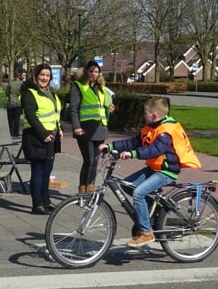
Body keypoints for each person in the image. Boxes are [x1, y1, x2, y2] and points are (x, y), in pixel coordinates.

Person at [99, 96, 200, 247]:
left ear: (153, 116)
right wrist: (111, 146)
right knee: (127, 185)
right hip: (154, 168)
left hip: (166, 171)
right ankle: (155, 213)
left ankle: (146, 232)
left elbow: (155, 150)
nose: (143, 116)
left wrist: (132, 154)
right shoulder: (151, 128)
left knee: (138, 193)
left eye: (145, 114)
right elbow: (132, 142)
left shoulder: (165, 131)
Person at [21, 63, 63, 215]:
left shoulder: (49, 92)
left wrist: (59, 129)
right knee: (38, 170)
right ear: (36, 75)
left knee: (47, 170)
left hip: (51, 136)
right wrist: (43, 134)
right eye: (42, 75)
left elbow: (54, 113)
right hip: (36, 136)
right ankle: (37, 204)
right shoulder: (29, 93)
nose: (45, 78)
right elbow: (31, 116)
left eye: (47, 75)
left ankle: (46, 200)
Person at [68, 60, 115, 193]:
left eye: (96, 71)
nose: (93, 74)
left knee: (94, 162)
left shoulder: (101, 88)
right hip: (84, 128)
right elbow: (74, 109)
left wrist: (110, 107)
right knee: (88, 160)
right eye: (91, 71)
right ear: (86, 72)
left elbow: (105, 105)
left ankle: (90, 190)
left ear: (99, 73)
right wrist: (76, 127)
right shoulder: (78, 86)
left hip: (100, 128)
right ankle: (82, 191)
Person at [5, 70, 26, 138]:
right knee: (17, 119)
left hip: (10, 103)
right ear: (19, 76)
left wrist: (10, 96)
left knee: (10, 119)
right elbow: (23, 92)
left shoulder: (10, 83)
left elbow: (7, 92)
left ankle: (10, 132)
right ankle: (16, 133)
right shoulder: (21, 83)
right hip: (18, 103)